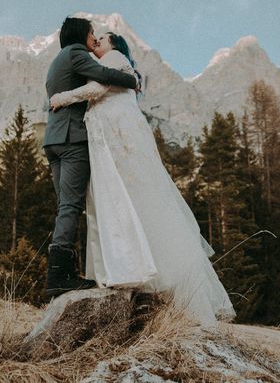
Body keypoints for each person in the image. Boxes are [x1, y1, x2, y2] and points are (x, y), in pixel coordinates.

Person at [50, 32, 235, 326]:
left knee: (120, 202)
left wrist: (62, 97)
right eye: (94, 36)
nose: (97, 39)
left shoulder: (114, 59)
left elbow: (97, 89)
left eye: (103, 37)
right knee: (133, 205)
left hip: (116, 144)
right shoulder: (122, 67)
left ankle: (124, 268)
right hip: (116, 142)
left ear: (115, 46)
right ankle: (134, 268)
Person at [43, 18, 138, 297]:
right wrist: (132, 79)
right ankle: (60, 276)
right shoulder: (76, 53)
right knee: (71, 206)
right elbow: (104, 76)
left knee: (65, 207)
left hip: (52, 140)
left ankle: (63, 273)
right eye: (91, 32)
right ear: (80, 34)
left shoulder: (56, 62)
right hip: (73, 139)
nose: (94, 37)